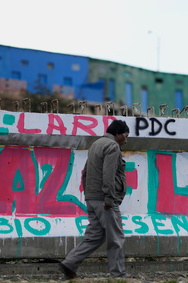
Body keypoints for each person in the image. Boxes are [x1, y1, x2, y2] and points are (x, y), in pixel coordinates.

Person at [59, 119, 130, 279]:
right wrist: (109, 199)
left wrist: (88, 195)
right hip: (105, 201)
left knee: (95, 236)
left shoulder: (96, 144)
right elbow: (109, 174)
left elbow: (85, 172)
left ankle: (69, 263)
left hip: (92, 199)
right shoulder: (112, 147)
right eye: (125, 136)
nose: (126, 140)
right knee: (116, 238)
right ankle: (118, 275)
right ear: (117, 134)